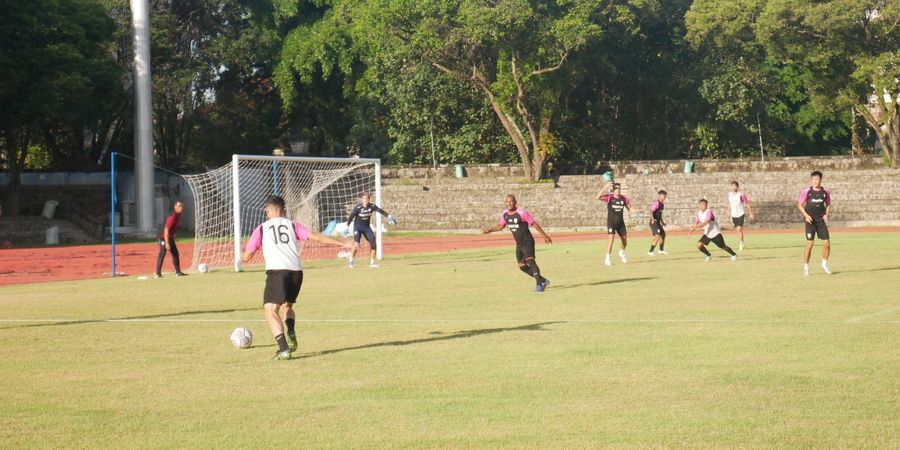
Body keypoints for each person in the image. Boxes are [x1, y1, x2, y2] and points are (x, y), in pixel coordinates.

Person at [241, 195, 350, 360]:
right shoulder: (292, 225)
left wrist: (241, 256)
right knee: (287, 307)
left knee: (270, 310)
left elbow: (247, 257)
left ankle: (284, 348)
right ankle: (290, 330)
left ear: (267, 210)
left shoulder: (262, 228)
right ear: (283, 211)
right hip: (297, 273)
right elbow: (315, 236)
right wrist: (342, 244)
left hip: (278, 272)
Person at [481, 194, 552, 292]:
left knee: (531, 262)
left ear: (515, 202)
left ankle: (539, 284)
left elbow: (534, 224)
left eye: (511, 201)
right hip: (519, 244)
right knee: (522, 266)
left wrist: (544, 235)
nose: (509, 203)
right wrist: (490, 230)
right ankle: (543, 280)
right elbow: (501, 225)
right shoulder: (505, 214)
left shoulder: (522, 213)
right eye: (507, 201)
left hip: (527, 241)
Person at [344, 192, 397, 268]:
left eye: (367, 199)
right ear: (362, 199)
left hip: (366, 228)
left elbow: (380, 211)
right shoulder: (357, 208)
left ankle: (372, 263)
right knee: (356, 244)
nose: (365, 200)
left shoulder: (372, 206)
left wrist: (389, 216)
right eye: (364, 199)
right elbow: (350, 217)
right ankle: (351, 260)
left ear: (369, 199)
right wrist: (346, 227)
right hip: (357, 228)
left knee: (373, 243)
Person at [797, 171, 832, 276]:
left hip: (821, 220)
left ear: (820, 180)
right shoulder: (806, 191)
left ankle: (824, 263)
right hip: (810, 221)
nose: (815, 181)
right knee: (810, 244)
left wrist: (826, 214)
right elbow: (799, 204)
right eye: (813, 180)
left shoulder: (825, 191)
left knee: (827, 244)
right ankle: (806, 266)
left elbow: (828, 204)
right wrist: (806, 216)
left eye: (817, 179)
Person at [596, 182, 631, 266]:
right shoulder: (609, 197)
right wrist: (605, 187)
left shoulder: (624, 198)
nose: (618, 190)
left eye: (619, 188)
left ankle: (621, 252)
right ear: (613, 190)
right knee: (611, 239)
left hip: (620, 223)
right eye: (616, 189)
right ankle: (607, 258)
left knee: (625, 240)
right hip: (611, 222)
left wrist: (637, 211)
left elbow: (630, 208)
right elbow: (597, 197)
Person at [155, 200, 185, 277]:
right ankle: (158, 273)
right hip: (162, 237)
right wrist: (167, 243)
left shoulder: (178, 215)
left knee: (175, 253)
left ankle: (178, 272)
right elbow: (166, 230)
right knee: (162, 253)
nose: (181, 208)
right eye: (179, 206)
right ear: (175, 207)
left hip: (169, 236)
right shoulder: (172, 217)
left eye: (182, 206)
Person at [727, 181, 754, 251]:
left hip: (741, 213)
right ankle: (742, 241)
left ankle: (741, 244)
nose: (733, 187)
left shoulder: (741, 195)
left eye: (735, 186)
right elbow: (730, 204)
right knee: (737, 230)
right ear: (730, 186)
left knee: (739, 229)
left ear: (737, 187)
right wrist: (728, 211)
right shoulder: (729, 194)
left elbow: (747, 204)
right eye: (732, 186)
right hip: (734, 214)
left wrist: (751, 213)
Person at [647, 190, 669, 256]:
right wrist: (652, 218)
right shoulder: (656, 203)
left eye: (665, 195)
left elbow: (660, 214)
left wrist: (662, 222)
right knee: (657, 236)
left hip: (658, 222)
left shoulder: (662, 204)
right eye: (663, 195)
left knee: (663, 235)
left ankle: (661, 250)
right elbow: (651, 211)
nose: (664, 196)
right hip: (654, 222)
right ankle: (650, 251)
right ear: (660, 196)